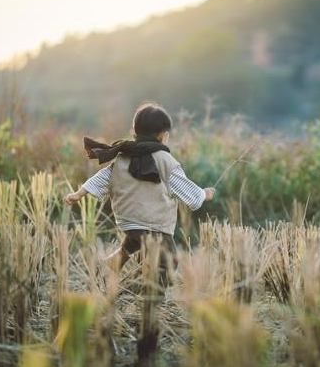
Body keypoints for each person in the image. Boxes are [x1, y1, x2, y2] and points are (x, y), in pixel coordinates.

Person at [63, 102, 215, 284]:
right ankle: (151, 297)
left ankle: (114, 262)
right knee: (168, 262)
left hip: (129, 221)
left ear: (134, 132)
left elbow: (102, 177)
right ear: (164, 136)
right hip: (154, 224)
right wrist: (203, 194)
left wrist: (79, 193)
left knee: (135, 241)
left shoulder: (123, 157)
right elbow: (186, 189)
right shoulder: (167, 162)